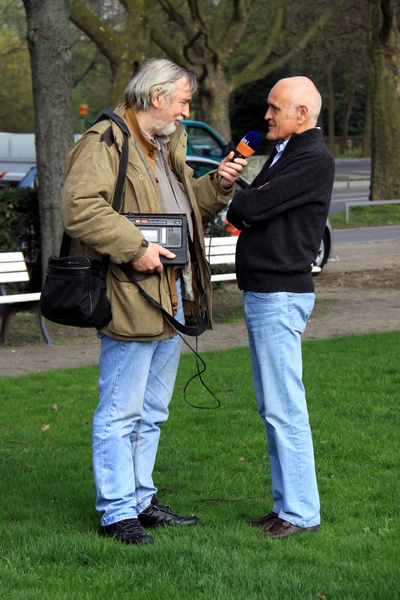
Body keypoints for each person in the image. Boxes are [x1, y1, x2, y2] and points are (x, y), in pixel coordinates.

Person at [60, 58, 245, 544]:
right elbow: (80, 207)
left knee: (153, 410)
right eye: (183, 101)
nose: (187, 111)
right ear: (157, 96)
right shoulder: (105, 141)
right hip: (130, 295)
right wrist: (136, 248)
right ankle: (117, 512)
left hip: (174, 296)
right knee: (120, 410)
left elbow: (183, 212)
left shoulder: (167, 145)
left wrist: (218, 186)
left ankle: (140, 499)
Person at [227, 76, 335, 539]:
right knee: (272, 406)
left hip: (279, 295)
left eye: (275, 109)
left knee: (284, 408)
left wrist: (241, 198)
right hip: (265, 292)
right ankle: (286, 506)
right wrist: (244, 196)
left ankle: (301, 513)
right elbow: (252, 205)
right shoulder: (286, 150)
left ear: (302, 115)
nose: (266, 116)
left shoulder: (312, 158)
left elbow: (249, 209)